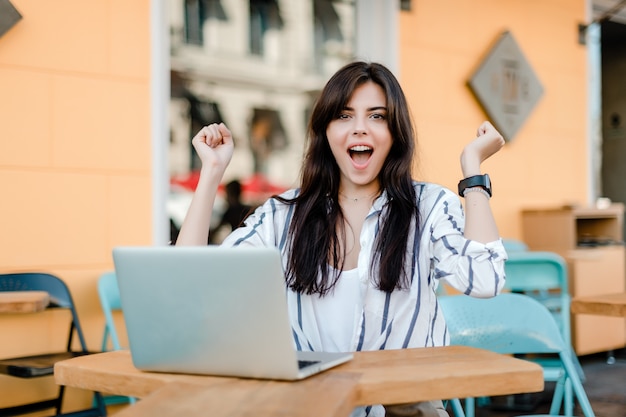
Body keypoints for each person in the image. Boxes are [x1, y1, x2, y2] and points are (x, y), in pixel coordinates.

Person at [176, 61, 507, 417]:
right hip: (311, 407)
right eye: (345, 116)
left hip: (406, 409)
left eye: (377, 116)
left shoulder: (428, 206)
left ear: (395, 132)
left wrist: (473, 170)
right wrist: (211, 172)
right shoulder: (283, 215)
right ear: (326, 131)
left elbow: (485, 280)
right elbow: (192, 281)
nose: (360, 129)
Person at [209, 179, 253, 243]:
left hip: (238, 242)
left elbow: (217, 229)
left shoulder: (231, 211)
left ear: (231, 194)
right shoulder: (247, 209)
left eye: (227, 193)